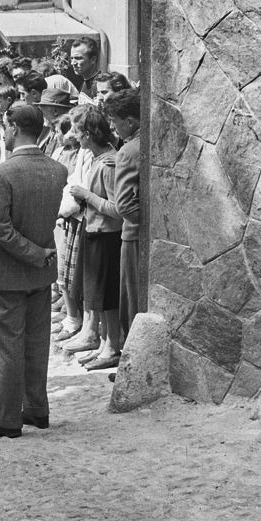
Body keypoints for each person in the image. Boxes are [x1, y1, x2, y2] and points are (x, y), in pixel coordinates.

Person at [0, 104, 68, 438]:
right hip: (42, 270)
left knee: (6, 347)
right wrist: (41, 254)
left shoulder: (1, 174)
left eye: (5, 126)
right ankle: (37, 408)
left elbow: (1, 230)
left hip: (8, 270)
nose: (4, 132)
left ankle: (6, 418)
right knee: (36, 343)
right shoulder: (57, 170)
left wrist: (32, 254)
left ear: (14, 128)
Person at [67, 106, 123, 371]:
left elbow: (117, 209)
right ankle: (104, 343)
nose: (74, 136)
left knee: (107, 296)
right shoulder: (100, 160)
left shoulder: (109, 164)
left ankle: (112, 346)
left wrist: (86, 196)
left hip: (106, 235)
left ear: (88, 134)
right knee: (97, 296)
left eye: (77, 131)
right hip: (94, 232)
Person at [102, 90, 142, 341]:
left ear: (130, 122)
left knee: (132, 298)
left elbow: (125, 205)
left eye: (115, 123)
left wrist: (147, 223)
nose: (113, 129)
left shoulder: (128, 151)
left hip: (135, 234)